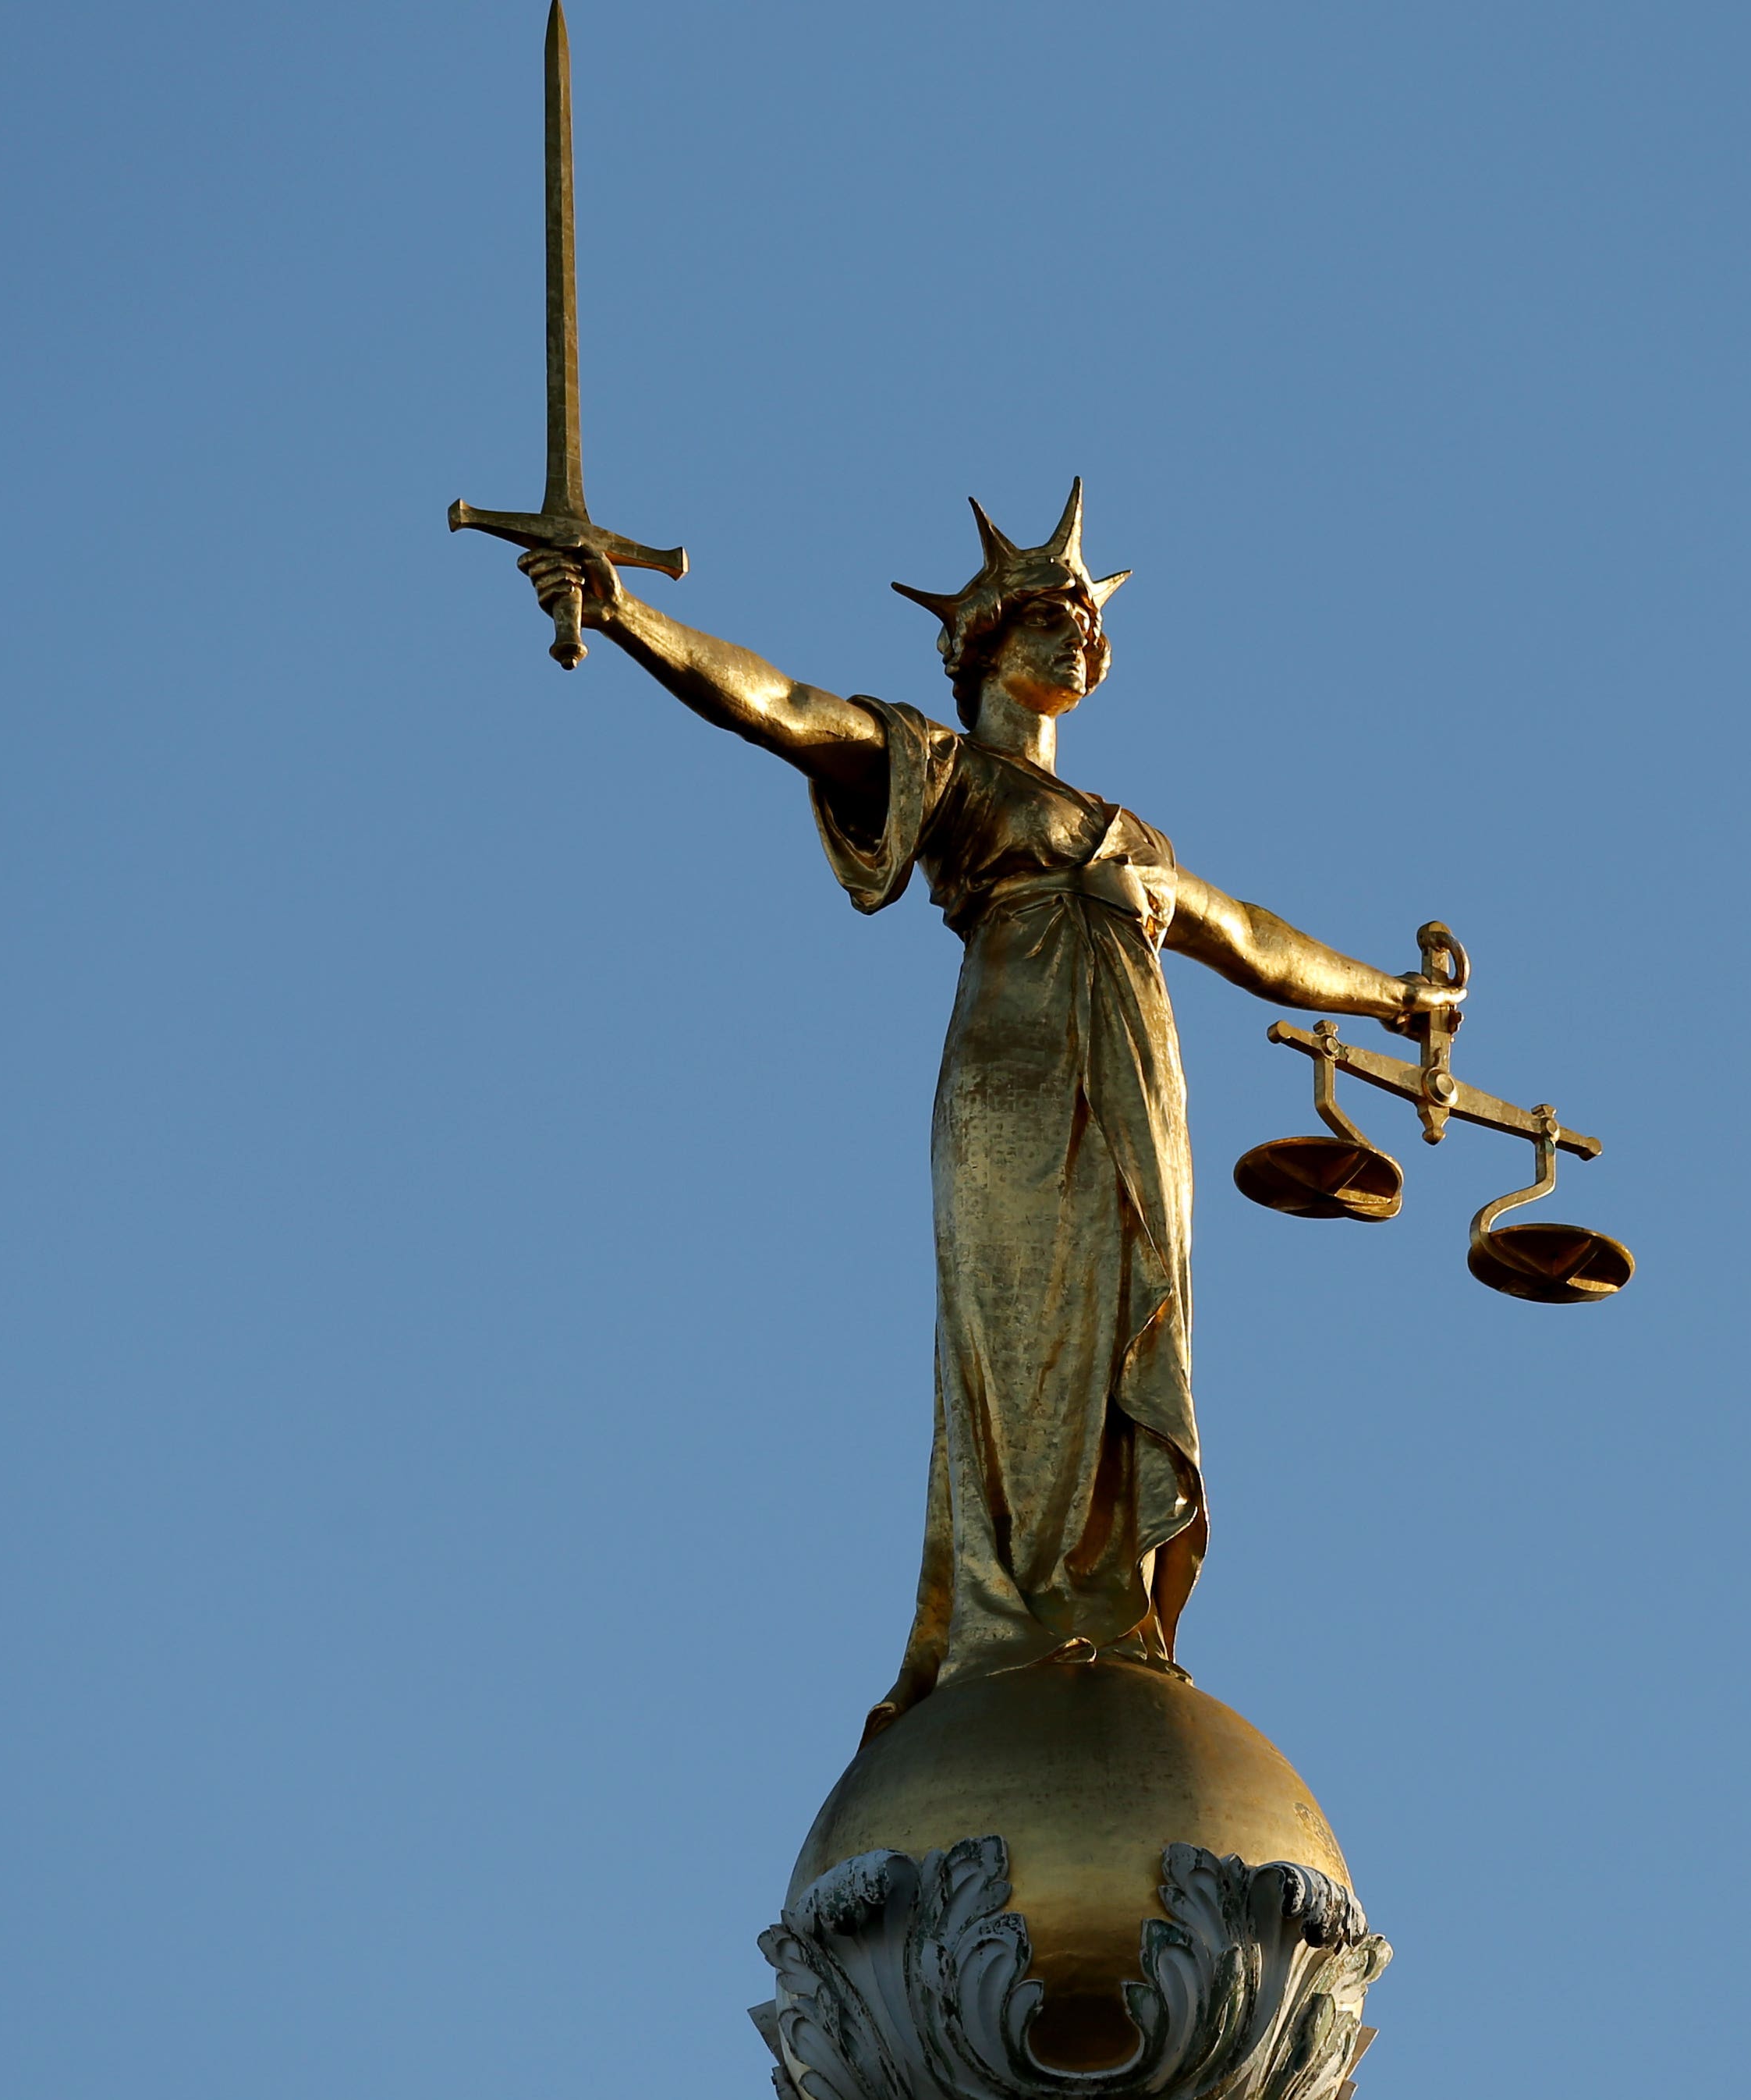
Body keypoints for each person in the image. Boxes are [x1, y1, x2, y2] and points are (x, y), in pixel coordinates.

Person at [519, 481, 1460, 1737]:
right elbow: (787, 710)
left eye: (1083, 618)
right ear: (979, 648)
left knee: (1135, 1310)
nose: (1074, 634)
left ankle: (1103, 1602)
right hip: (1013, 1083)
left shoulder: (1132, 838)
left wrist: (1395, 998)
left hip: (1135, 1095)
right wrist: (629, 617)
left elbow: (1246, 938)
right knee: (1025, 1330)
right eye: (1041, 617)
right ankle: (1008, 1611)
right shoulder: (953, 771)